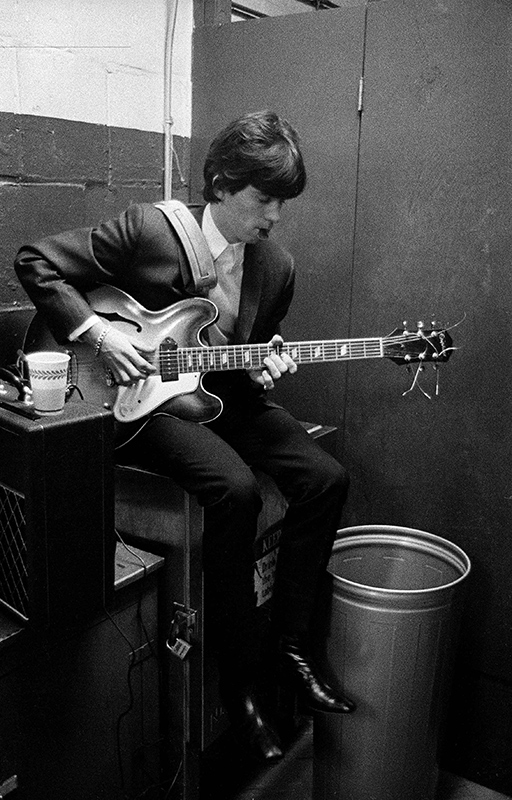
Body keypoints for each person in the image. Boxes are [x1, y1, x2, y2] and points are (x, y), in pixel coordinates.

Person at [14, 110, 354, 762]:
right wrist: (99, 333)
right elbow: (36, 261)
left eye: (284, 201)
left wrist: (263, 362)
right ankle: (244, 683)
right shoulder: (150, 232)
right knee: (233, 490)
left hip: (210, 394)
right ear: (223, 183)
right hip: (132, 401)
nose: (275, 216)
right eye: (264, 199)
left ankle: (291, 645)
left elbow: (238, 383)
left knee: (327, 477)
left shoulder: (275, 268)